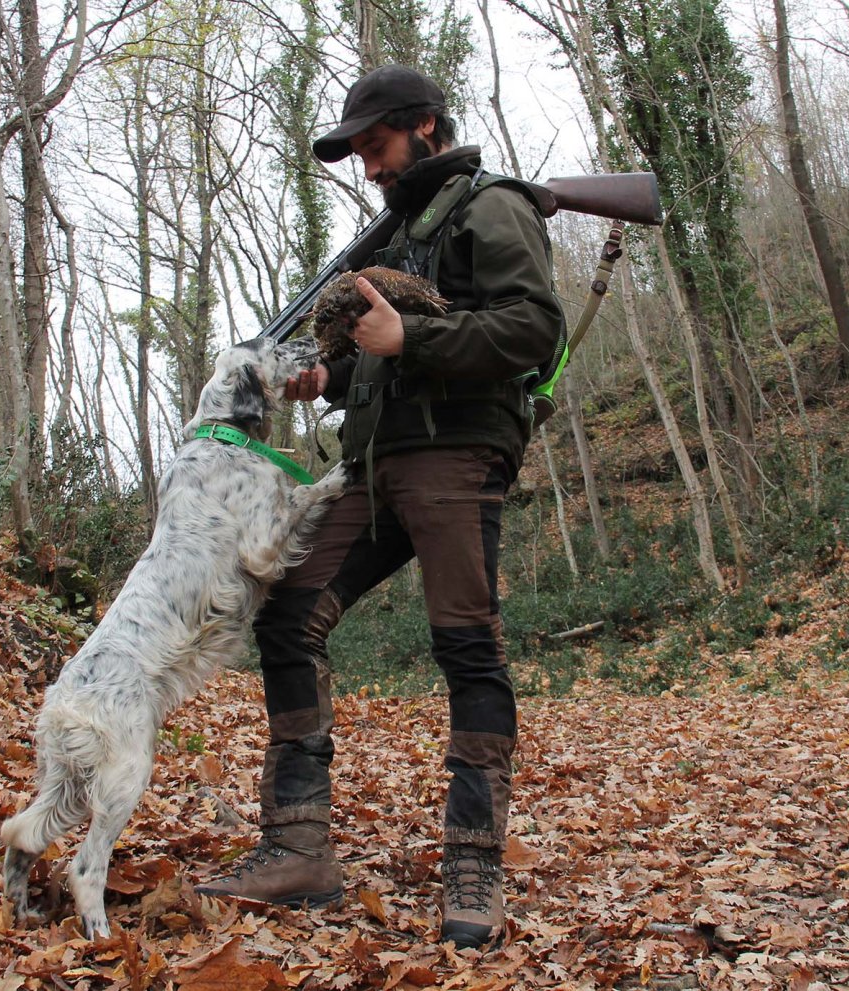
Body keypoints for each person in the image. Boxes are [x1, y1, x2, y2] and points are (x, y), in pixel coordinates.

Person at [195, 64, 565, 951]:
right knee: (286, 614)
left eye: (376, 144)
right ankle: (296, 848)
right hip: (370, 464)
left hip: (453, 459)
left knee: (465, 645)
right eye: (357, 151)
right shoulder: (395, 235)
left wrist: (413, 337)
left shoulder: (492, 208)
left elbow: (532, 327)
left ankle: (473, 863)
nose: (366, 165)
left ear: (427, 127)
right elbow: (387, 351)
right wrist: (337, 374)